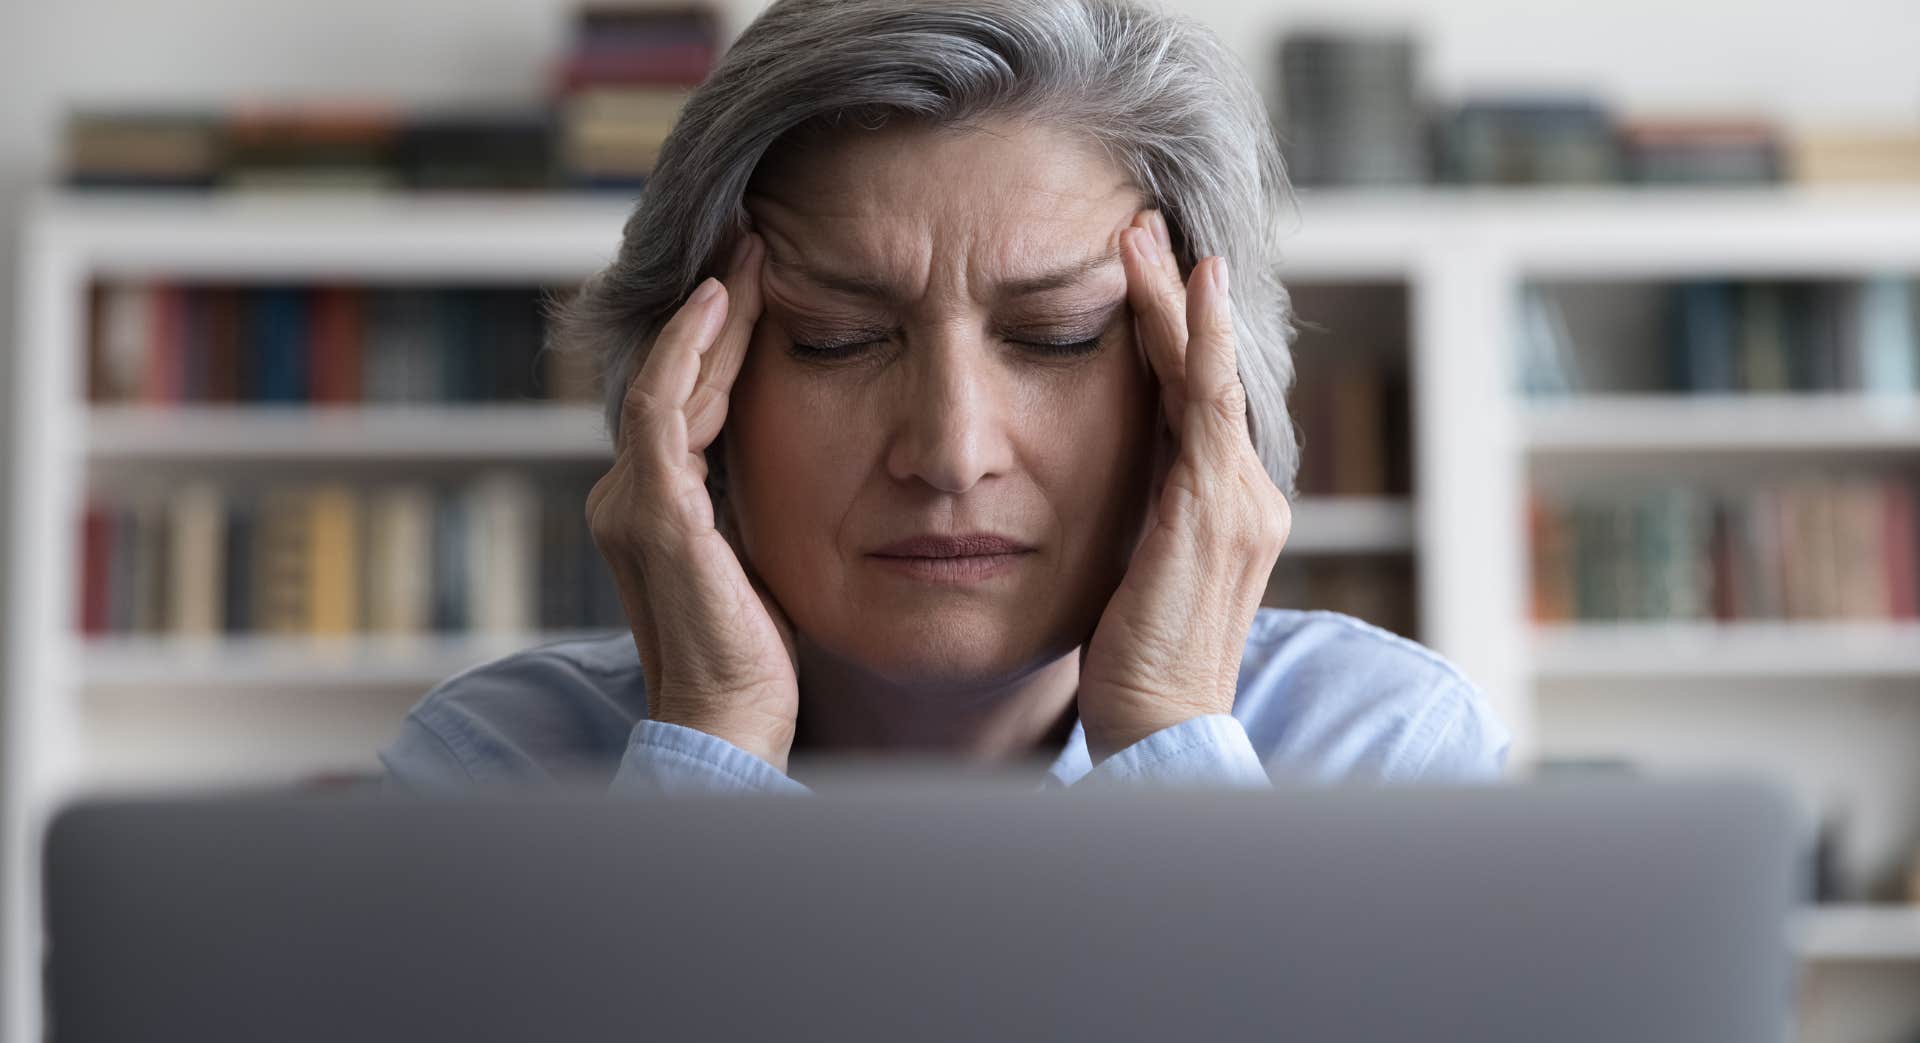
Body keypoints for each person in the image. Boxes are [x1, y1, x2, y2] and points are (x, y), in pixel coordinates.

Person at [381, 0, 1509, 793]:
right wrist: (712, 742)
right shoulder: (494, 770)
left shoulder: (1383, 752)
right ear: (686, 400)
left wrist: (1172, 734)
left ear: (1200, 392)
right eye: (839, 339)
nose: (951, 451)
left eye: (1058, 337)